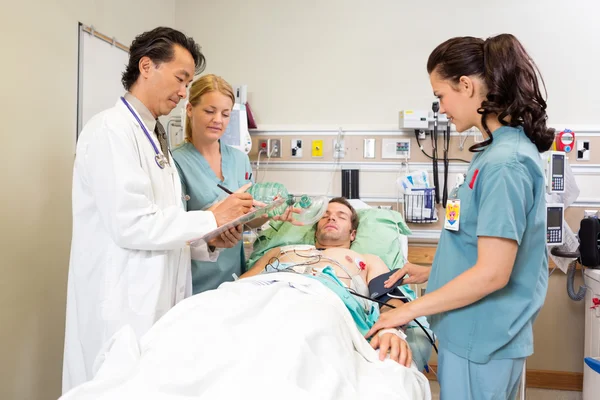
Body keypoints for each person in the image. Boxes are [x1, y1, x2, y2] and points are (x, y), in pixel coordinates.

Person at [63, 27, 255, 393]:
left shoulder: (153, 137)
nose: (184, 91)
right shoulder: (110, 131)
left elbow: (163, 223)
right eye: (181, 79)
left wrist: (209, 242)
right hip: (121, 305)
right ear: (146, 66)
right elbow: (132, 225)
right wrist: (213, 216)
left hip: (156, 301)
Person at [367, 34, 554, 399]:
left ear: (466, 86)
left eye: (440, 96)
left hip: (481, 338)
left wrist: (405, 312)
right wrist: (431, 272)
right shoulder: (491, 154)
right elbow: (475, 244)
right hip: (470, 333)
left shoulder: (506, 164)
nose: (441, 108)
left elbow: (493, 273)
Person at [244, 197, 422, 368]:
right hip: (265, 298)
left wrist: (390, 331)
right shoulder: (278, 252)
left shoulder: (367, 260)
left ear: (353, 234)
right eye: (324, 215)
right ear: (315, 229)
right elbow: (241, 286)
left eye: (341, 216)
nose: (331, 217)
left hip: (321, 306)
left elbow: (388, 297)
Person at [172, 74, 262, 293]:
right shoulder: (174, 162)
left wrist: (274, 211)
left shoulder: (239, 159)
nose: (218, 120)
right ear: (190, 109)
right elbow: (174, 228)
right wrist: (218, 214)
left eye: (225, 114)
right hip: (194, 283)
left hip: (235, 279)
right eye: (210, 111)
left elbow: (248, 220)